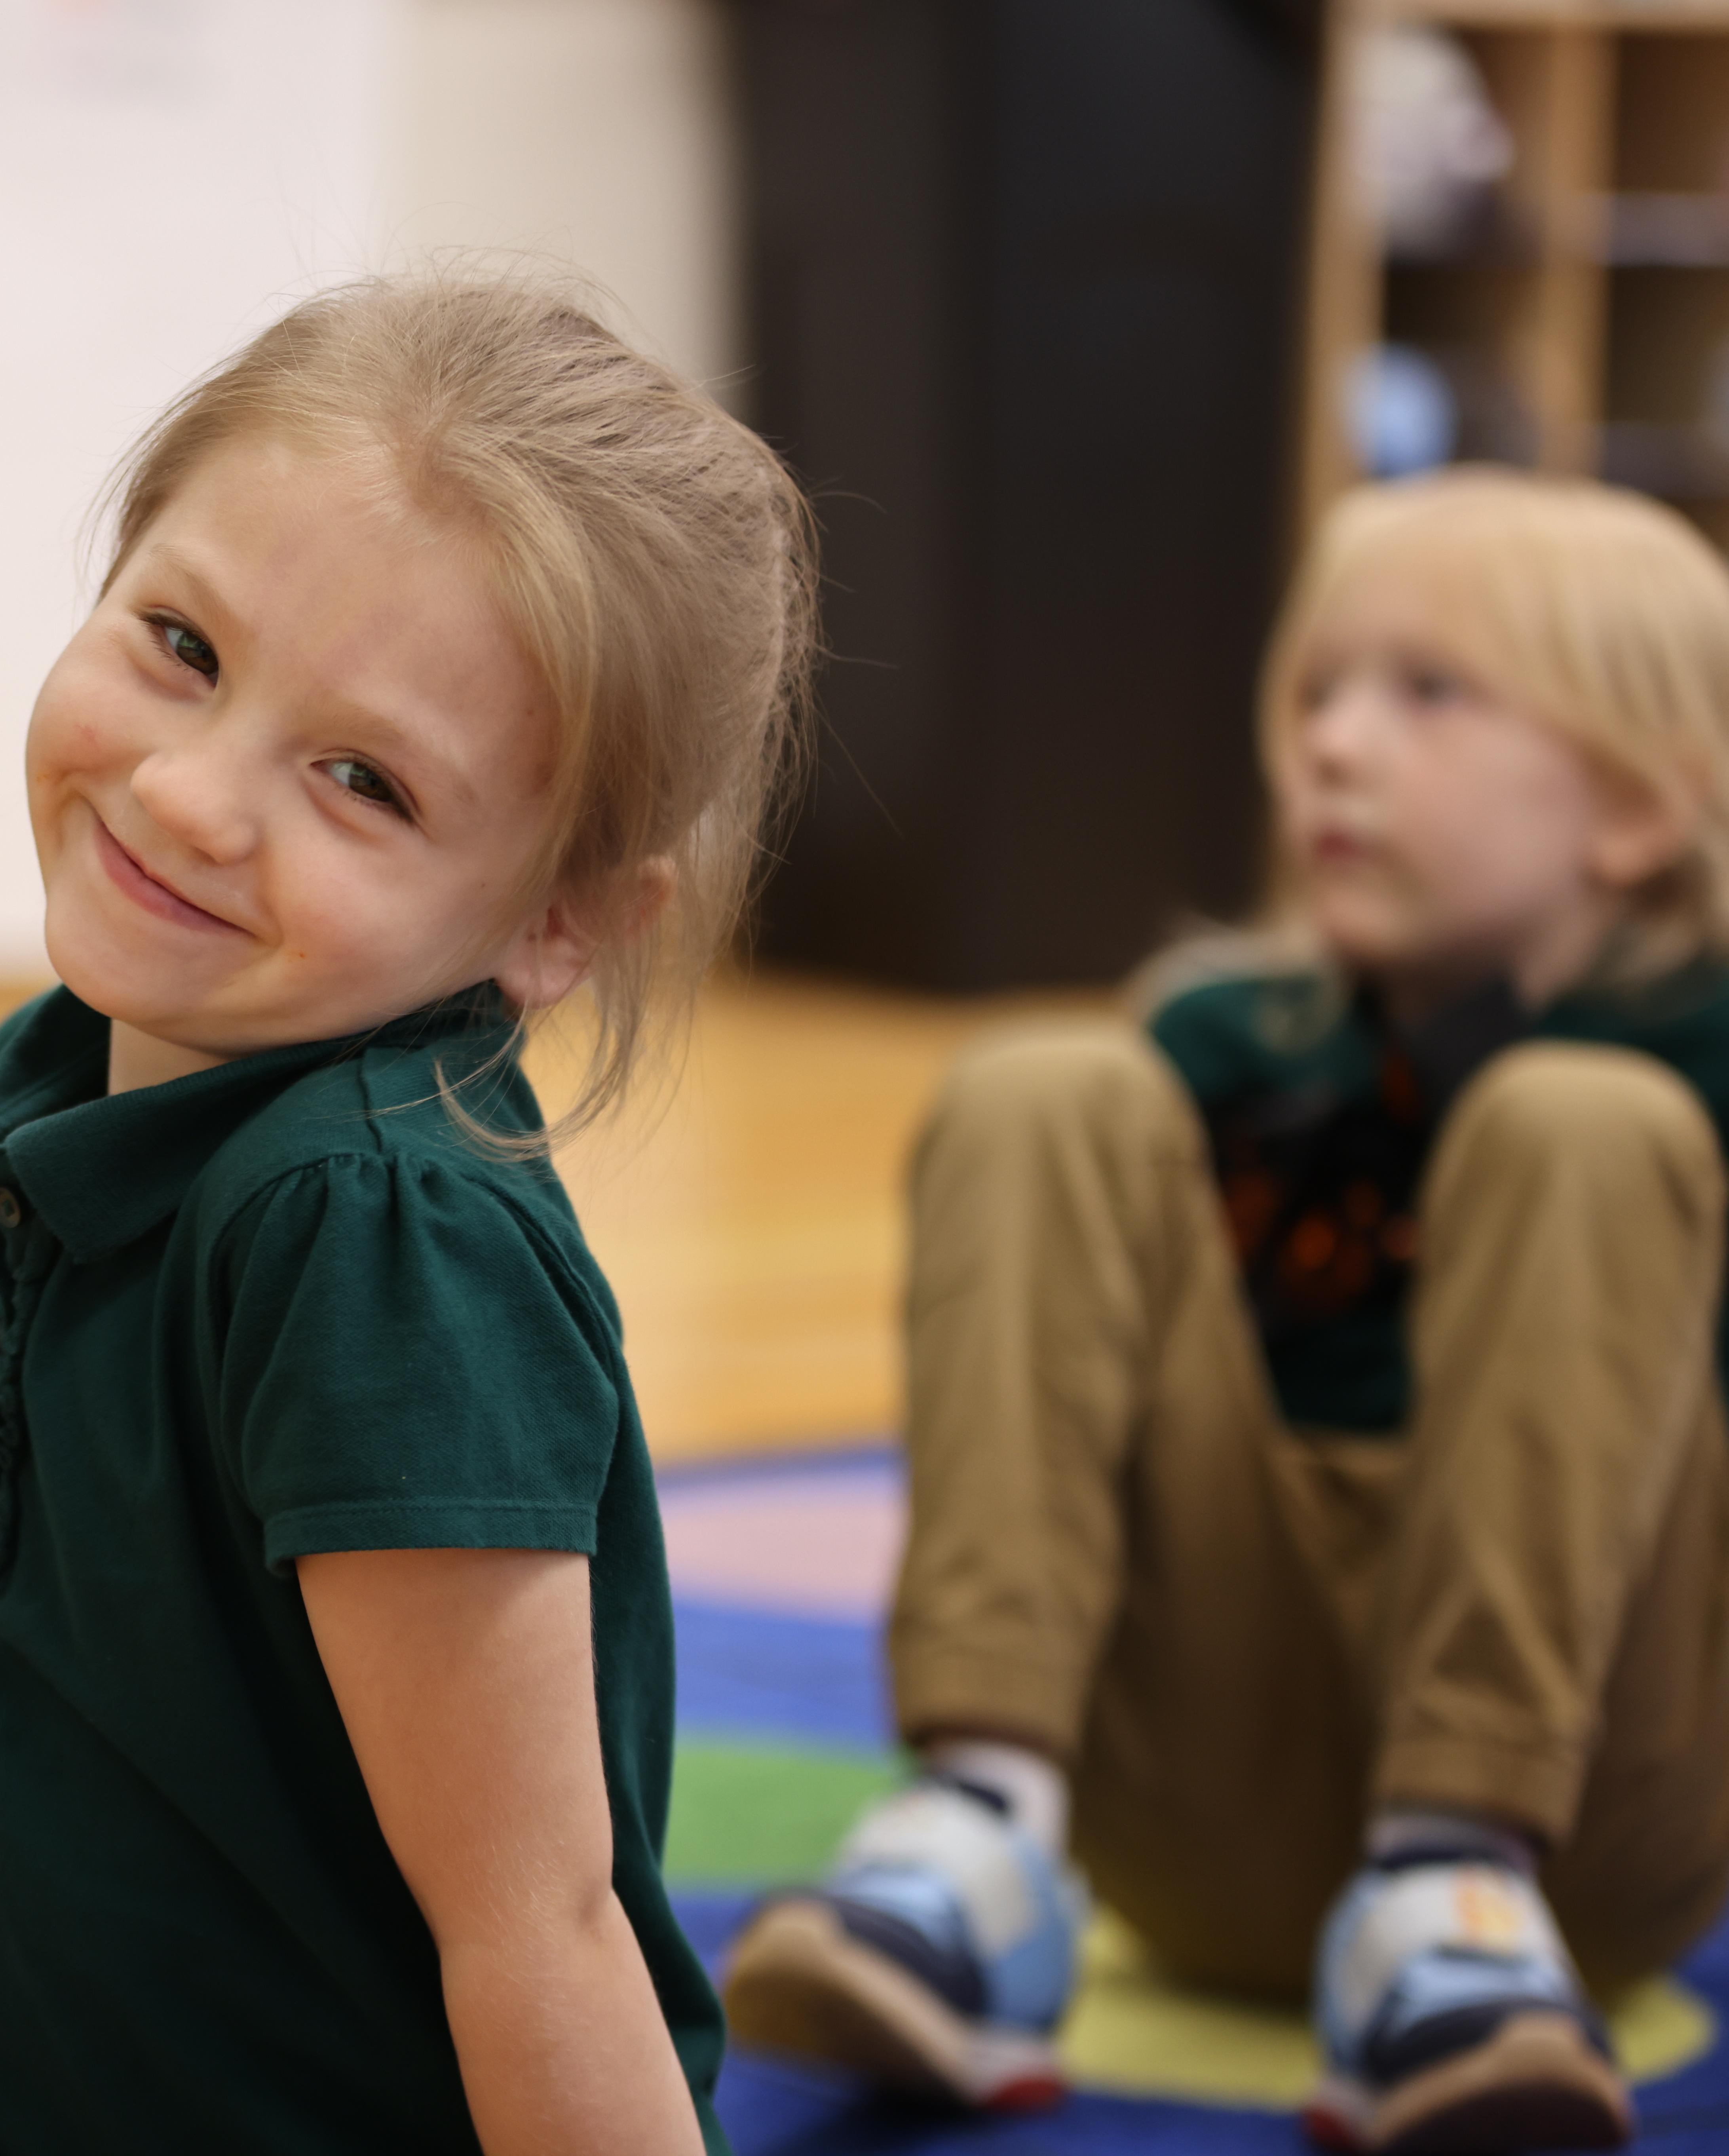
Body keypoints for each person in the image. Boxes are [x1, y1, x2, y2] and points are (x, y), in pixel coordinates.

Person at [0, 276, 817, 2156]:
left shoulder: (367, 1239)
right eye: (177, 643)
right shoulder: (20, 1097)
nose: (186, 796)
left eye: (362, 781)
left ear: (556, 923)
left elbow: (537, 1930)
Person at [722, 468, 1729, 2155]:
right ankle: (976, 1828)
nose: (1328, 743)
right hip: (1198, 1827)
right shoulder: (1222, 1040)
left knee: (1586, 1125)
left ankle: (1451, 1881)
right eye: (1316, 691)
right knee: (1045, 1080)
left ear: (1634, 809)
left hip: (1580, 1835)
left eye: (1424, 694)